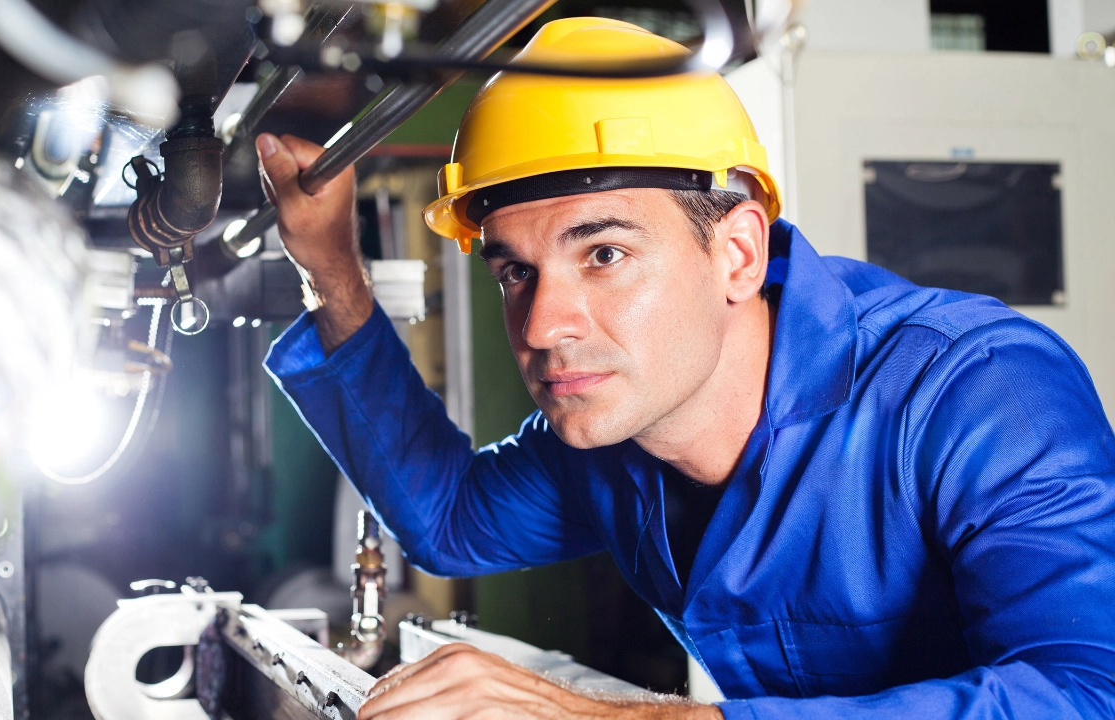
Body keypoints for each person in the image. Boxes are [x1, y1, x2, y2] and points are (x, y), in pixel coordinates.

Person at [257, 17, 1115, 720]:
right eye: (516, 272)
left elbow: (1088, 695)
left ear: (738, 253)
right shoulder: (609, 433)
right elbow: (447, 519)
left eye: (604, 254)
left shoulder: (977, 391)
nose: (546, 326)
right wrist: (332, 270)